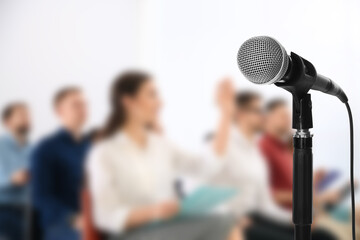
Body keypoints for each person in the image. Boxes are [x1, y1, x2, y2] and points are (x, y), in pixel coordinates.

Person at [87, 71, 240, 240]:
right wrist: (153, 211)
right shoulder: (104, 153)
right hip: (129, 235)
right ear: (128, 102)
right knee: (222, 224)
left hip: (167, 227)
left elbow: (207, 166)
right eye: (152, 95)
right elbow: (104, 216)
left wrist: (225, 114)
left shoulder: (161, 145)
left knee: (226, 219)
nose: (160, 103)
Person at [209, 79, 336, 240]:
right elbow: (210, 184)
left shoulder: (255, 153)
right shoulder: (229, 145)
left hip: (261, 216)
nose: (263, 116)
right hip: (239, 220)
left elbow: (265, 202)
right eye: (257, 111)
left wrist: (290, 220)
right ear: (240, 114)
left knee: (323, 236)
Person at [31, 87, 90, 240]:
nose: (82, 109)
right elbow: (41, 197)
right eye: (75, 105)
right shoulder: (46, 148)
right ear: (59, 111)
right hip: (62, 225)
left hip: (91, 220)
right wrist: (72, 218)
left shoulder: (92, 147)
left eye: (84, 104)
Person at [0, 102, 32, 240]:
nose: (26, 119)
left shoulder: (34, 148)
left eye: (28, 115)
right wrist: (11, 179)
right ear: (7, 122)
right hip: (4, 208)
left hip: (28, 209)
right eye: (21, 115)